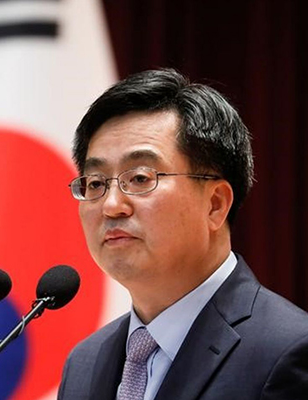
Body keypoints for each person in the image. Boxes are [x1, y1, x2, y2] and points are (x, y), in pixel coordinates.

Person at [58, 69, 308, 400]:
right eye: (95, 183)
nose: (112, 205)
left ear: (215, 204)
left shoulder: (288, 351)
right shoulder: (84, 363)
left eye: (140, 178)